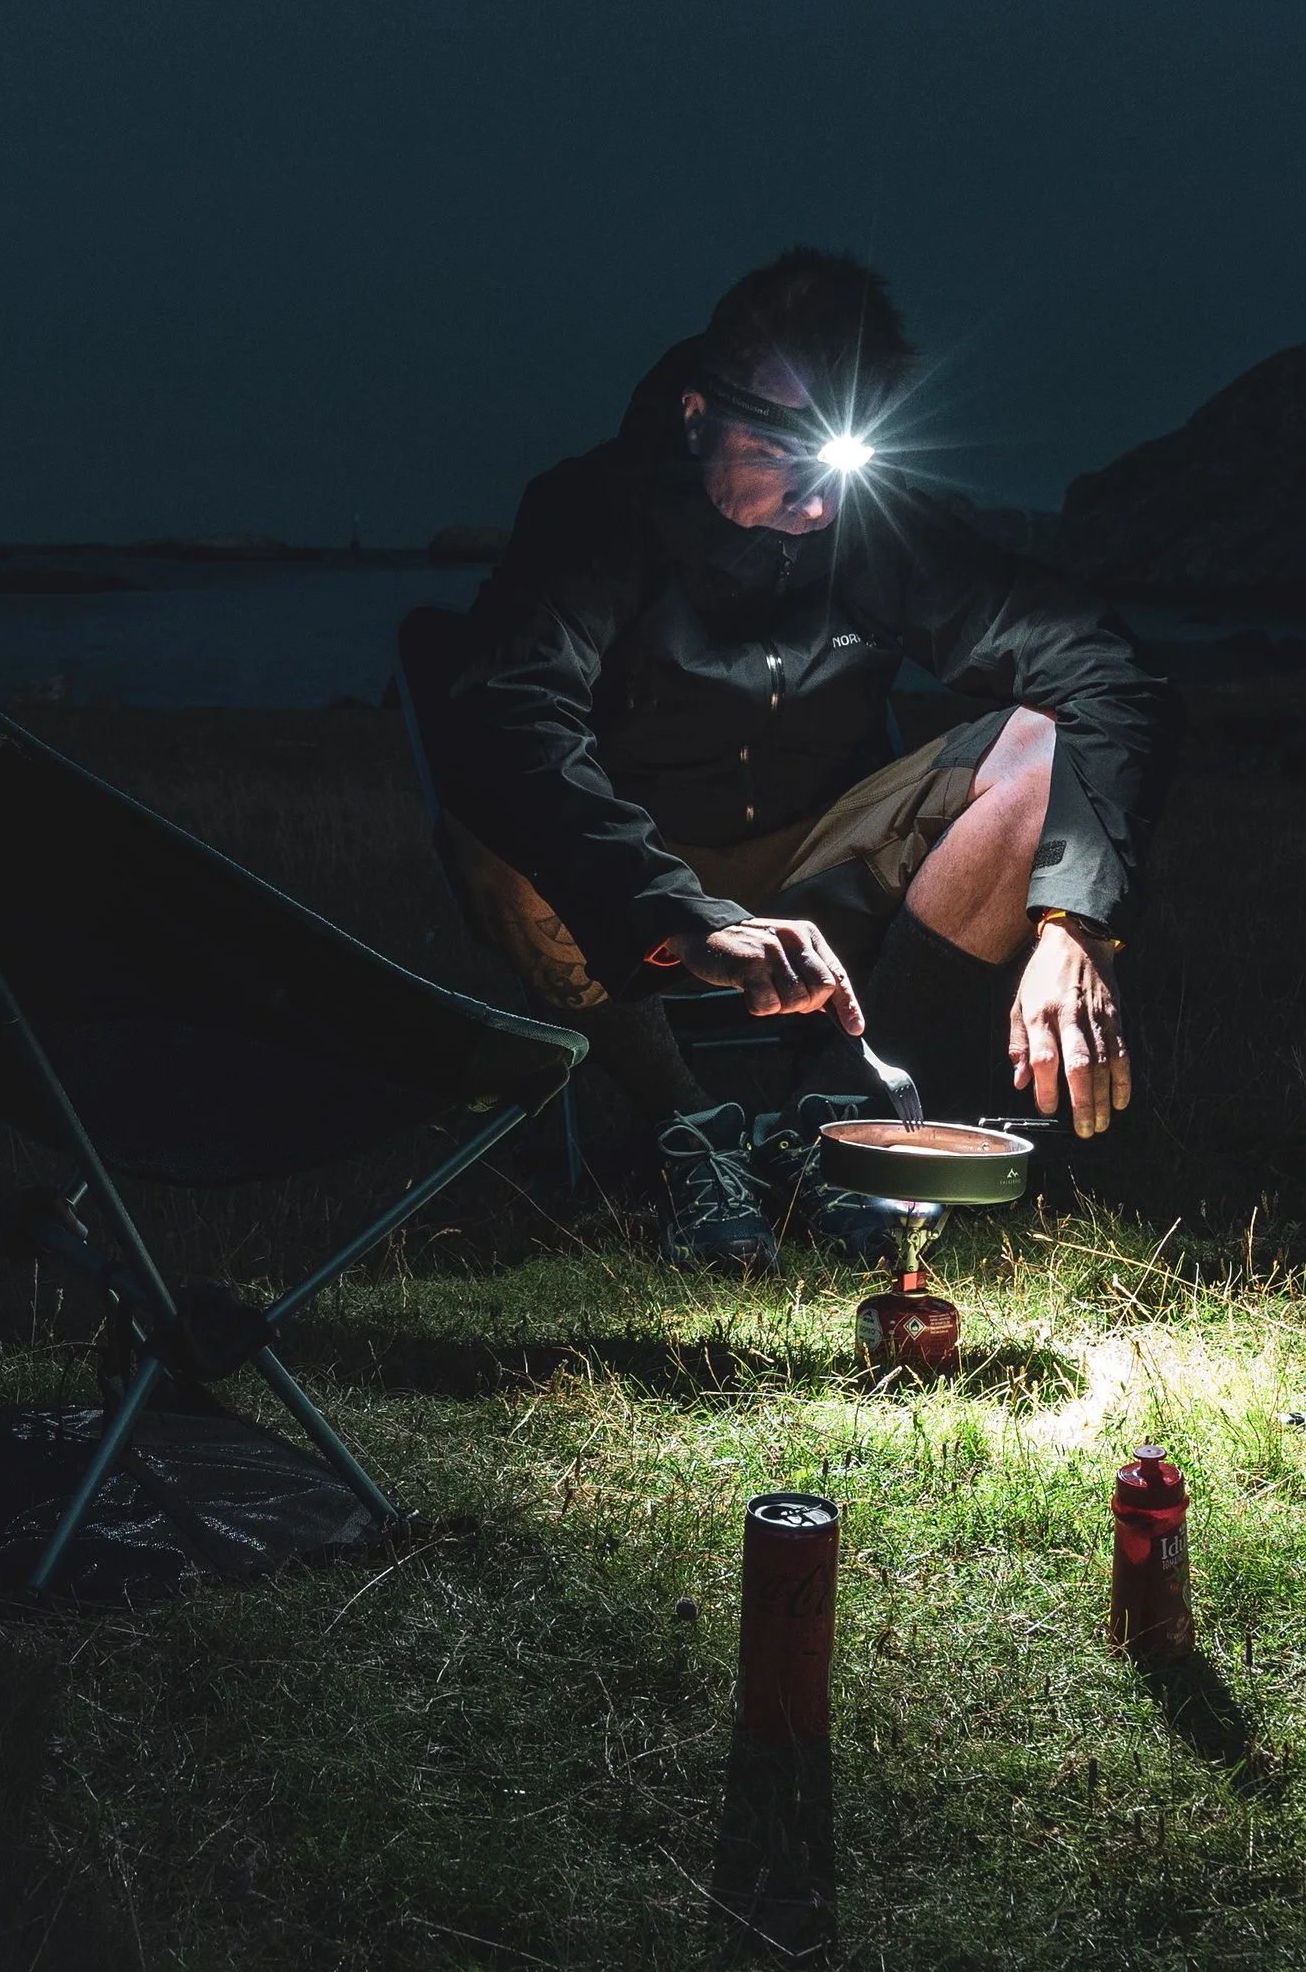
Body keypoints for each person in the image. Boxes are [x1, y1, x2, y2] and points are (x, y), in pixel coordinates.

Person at [408, 247, 1176, 1268]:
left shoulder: (880, 526)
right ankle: (688, 1128)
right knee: (494, 817)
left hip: (821, 855)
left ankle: (835, 1112)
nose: (816, 502)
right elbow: (511, 714)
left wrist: (1077, 921)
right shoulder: (594, 515)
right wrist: (683, 914)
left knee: (1039, 742)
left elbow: (1102, 667)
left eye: (841, 459)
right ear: (696, 417)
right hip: (639, 869)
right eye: (778, 450)